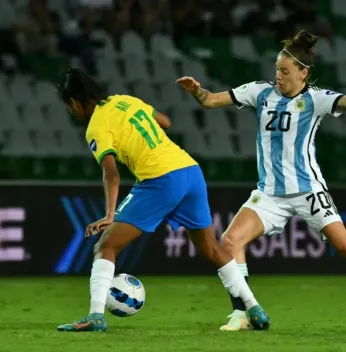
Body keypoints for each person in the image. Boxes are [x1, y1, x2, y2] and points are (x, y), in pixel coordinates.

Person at [176, 30, 346, 332]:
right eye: (277, 70)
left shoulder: (316, 100)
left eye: (284, 71)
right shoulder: (260, 92)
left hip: (308, 191)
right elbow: (211, 101)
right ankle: (241, 312)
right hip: (269, 194)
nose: (278, 76)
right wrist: (196, 91)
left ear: (303, 73)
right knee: (230, 241)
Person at [55, 68, 270, 332]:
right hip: (190, 171)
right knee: (212, 249)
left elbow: (111, 175)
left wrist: (109, 214)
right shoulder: (126, 100)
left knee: (106, 246)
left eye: (70, 107)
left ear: (74, 103)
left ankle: (95, 316)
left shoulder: (96, 127)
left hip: (160, 179)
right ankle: (255, 308)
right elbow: (165, 122)